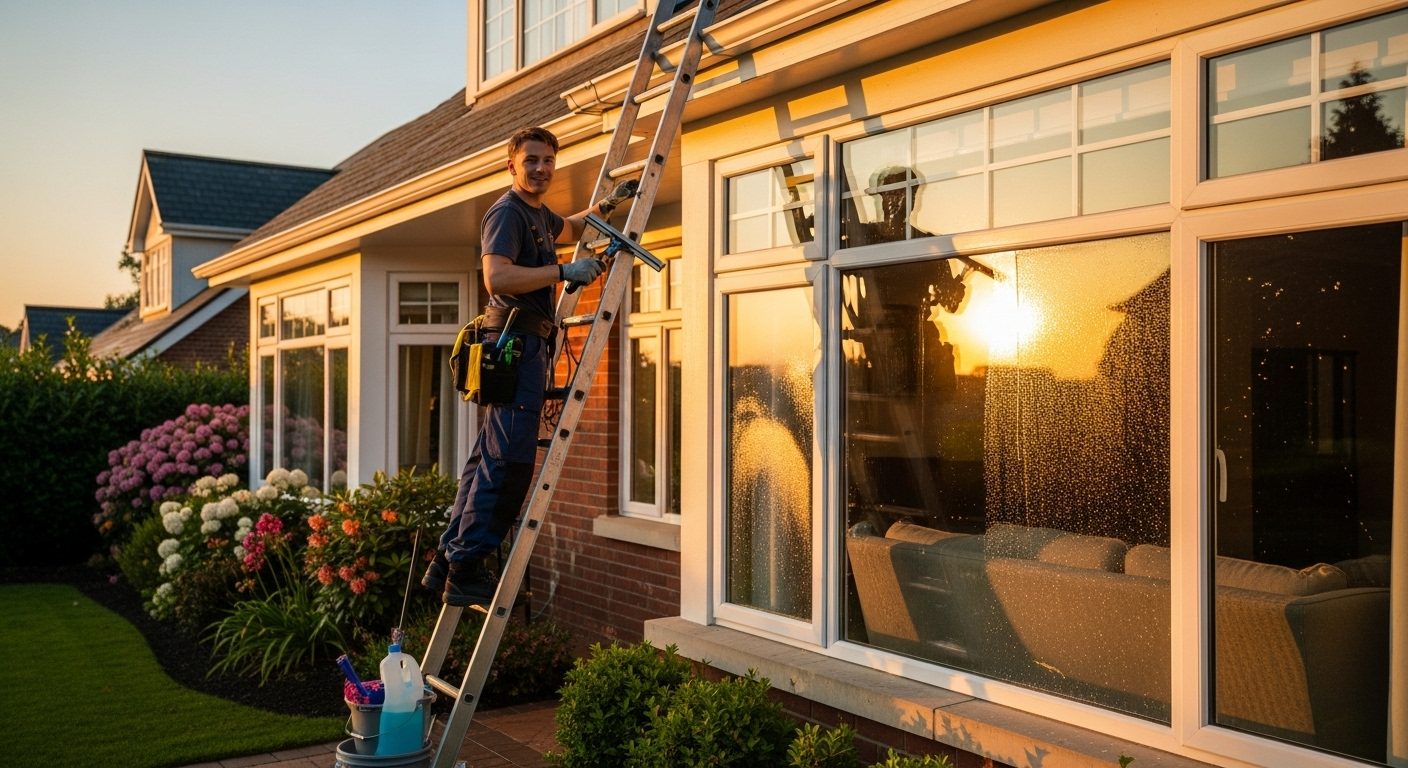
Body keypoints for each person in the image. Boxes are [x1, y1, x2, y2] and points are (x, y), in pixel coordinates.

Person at [422, 126, 624, 607]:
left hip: (524, 344)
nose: (541, 168)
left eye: (548, 160)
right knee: (509, 462)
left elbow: (570, 227)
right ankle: (467, 568)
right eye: (531, 160)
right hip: (512, 344)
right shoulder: (507, 212)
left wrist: (608, 206)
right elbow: (497, 275)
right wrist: (563, 271)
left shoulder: (535, 213)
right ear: (511, 164)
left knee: (486, 457)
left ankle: (446, 562)